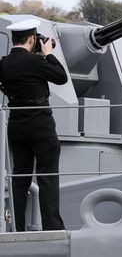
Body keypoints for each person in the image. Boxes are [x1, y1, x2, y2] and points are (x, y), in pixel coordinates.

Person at [0, 19, 67, 231]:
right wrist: (47, 53)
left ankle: (17, 228)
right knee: (47, 176)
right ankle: (52, 228)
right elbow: (61, 78)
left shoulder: (3, 63)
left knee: (20, 178)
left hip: (17, 125)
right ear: (32, 39)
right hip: (40, 124)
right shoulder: (36, 63)